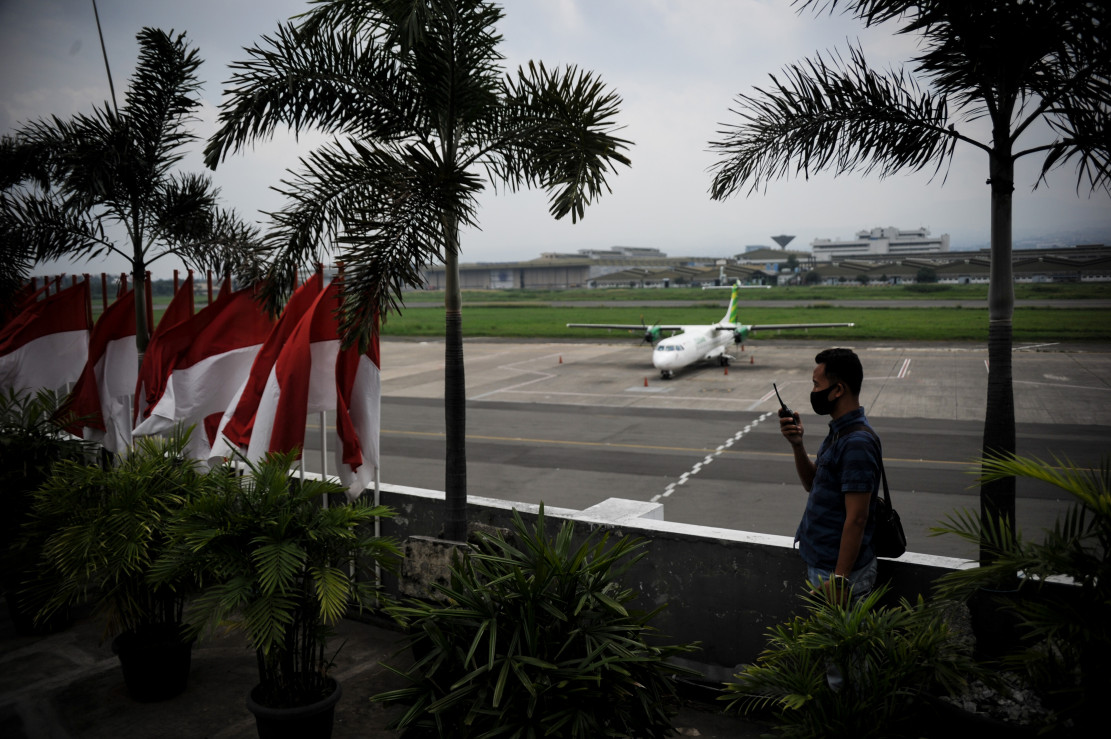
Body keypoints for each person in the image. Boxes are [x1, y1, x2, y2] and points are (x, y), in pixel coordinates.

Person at [779, 347, 881, 603]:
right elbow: (812, 484)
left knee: (842, 642)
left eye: (816, 384)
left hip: (840, 578)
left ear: (837, 390)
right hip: (827, 567)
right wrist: (797, 444)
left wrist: (840, 580)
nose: (813, 392)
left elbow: (857, 517)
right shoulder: (839, 432)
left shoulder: (856, 442)